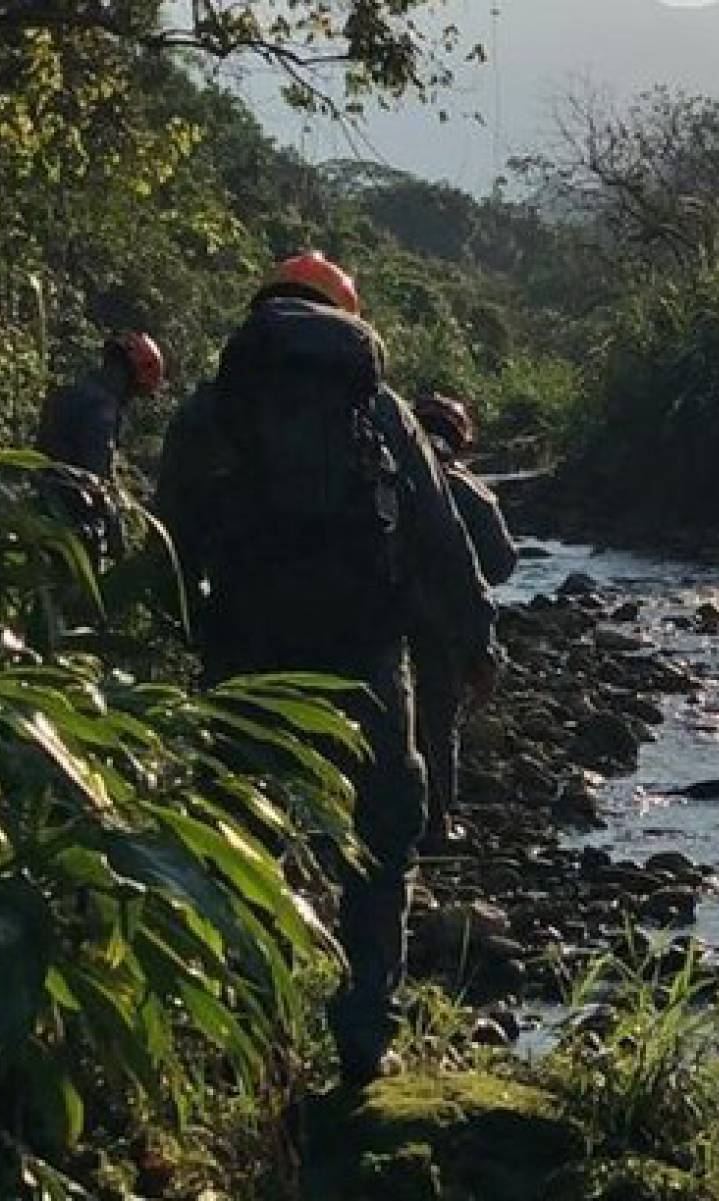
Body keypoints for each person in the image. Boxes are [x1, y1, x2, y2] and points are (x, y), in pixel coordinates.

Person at [154, 252, 499, 1085]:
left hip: (245, 653)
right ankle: (364, 1035)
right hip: (367, 654)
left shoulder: (212, 407)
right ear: (349, 318)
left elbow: (169, 540)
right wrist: (477, 634)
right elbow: (440, 530)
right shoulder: (375, 405)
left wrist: (191, 634)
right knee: (384, 837)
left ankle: (245, 1030)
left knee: (242, 837)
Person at [410, 394, 518, 850]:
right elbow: (500, 561)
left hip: (375, 620)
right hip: (445, 625)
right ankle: (435, 826)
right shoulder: (470, 491)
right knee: (437, 723)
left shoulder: (377, 473)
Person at [35, 331, 165, 559]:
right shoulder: (102, 409)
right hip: (70, 525)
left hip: (38, 506)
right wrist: (117, 539)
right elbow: (96, 478)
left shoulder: (68, 392)